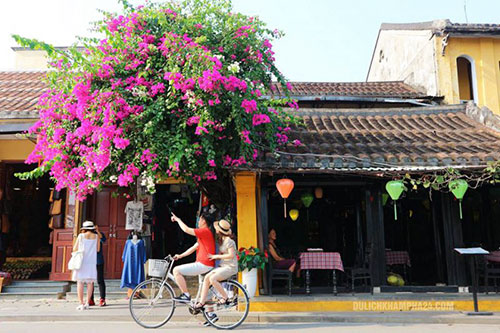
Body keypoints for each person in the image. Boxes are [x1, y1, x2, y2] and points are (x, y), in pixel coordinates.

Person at [170, 212, 216, 303]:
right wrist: (180, 256)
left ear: (204, 221)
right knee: (205, 294)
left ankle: (186, 295)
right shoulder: (206, 233)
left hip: (203, 264)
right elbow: (194, 248)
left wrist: (178, 220)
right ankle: (210, 314)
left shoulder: (204, 231)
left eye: (200, 219)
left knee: (176, 270)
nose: (198, 221)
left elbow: (186, 230)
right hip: (205, 264)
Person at [194, 219, 237, 309]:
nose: (216, 230)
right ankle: (202, 302)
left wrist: (216, 256)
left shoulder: (229, 241)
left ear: (219, 231)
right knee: (206, 278)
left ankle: (225, 297)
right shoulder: (222, 240)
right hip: (224, 267)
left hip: (230, 267)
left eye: (217, 229)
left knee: (213, 279)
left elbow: (231, 255)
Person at [72, 221, 100, 311]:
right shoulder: (96, 237)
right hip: (91, 261)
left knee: (80, 282)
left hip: (82, 261)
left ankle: (81, 303)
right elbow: (98, 249)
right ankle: (88, 302)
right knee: (90, 283)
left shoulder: (81, 236)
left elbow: (75, 248)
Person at [89, 225, 106, 307]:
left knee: (100, 280)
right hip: (89, 261)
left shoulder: (99, 234)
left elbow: (103, 240)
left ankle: (102, 299)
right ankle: (90, 299)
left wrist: (98, 231)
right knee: (90, 281)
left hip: (99, 260)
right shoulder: (86, 235)